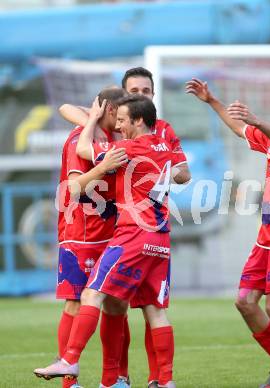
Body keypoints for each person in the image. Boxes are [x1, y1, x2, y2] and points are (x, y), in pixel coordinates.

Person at [35, 94, 181, 388]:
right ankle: (165, 381)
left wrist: (90, 120)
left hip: (130, 234)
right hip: (160, 238)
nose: (120, 126)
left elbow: (83, 157)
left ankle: (70, 362)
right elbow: (184, 173)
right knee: (154, 310)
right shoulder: (166, 146)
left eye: (124, 121)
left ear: (138, 120)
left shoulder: (126, 148)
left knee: (90, 295)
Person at [186, 78, 270, 388]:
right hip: (267, 233)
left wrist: (257, 119)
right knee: (245, 301)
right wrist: (212, 101)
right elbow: (239, 129)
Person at [55, 87, 125, 388]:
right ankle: (68, 382)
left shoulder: (111, 138)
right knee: (74, 304)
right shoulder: (78, 139)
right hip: (79, 235)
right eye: (120, 115)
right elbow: (74, 188)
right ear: (108, 110)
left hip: (112, 233)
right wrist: (103, 167)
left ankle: (112, 381)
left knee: (115, 305)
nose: (123, 122)